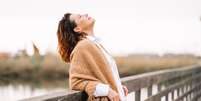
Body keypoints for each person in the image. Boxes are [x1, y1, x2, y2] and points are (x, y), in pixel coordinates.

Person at [57, 12, 128, 101]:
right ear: (77, 28)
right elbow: (75, 82)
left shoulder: (94, 44)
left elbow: (102, 74)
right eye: (80, 17)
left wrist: (117, 87)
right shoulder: (82, 47)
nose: (86, 14)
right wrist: (106, 90)